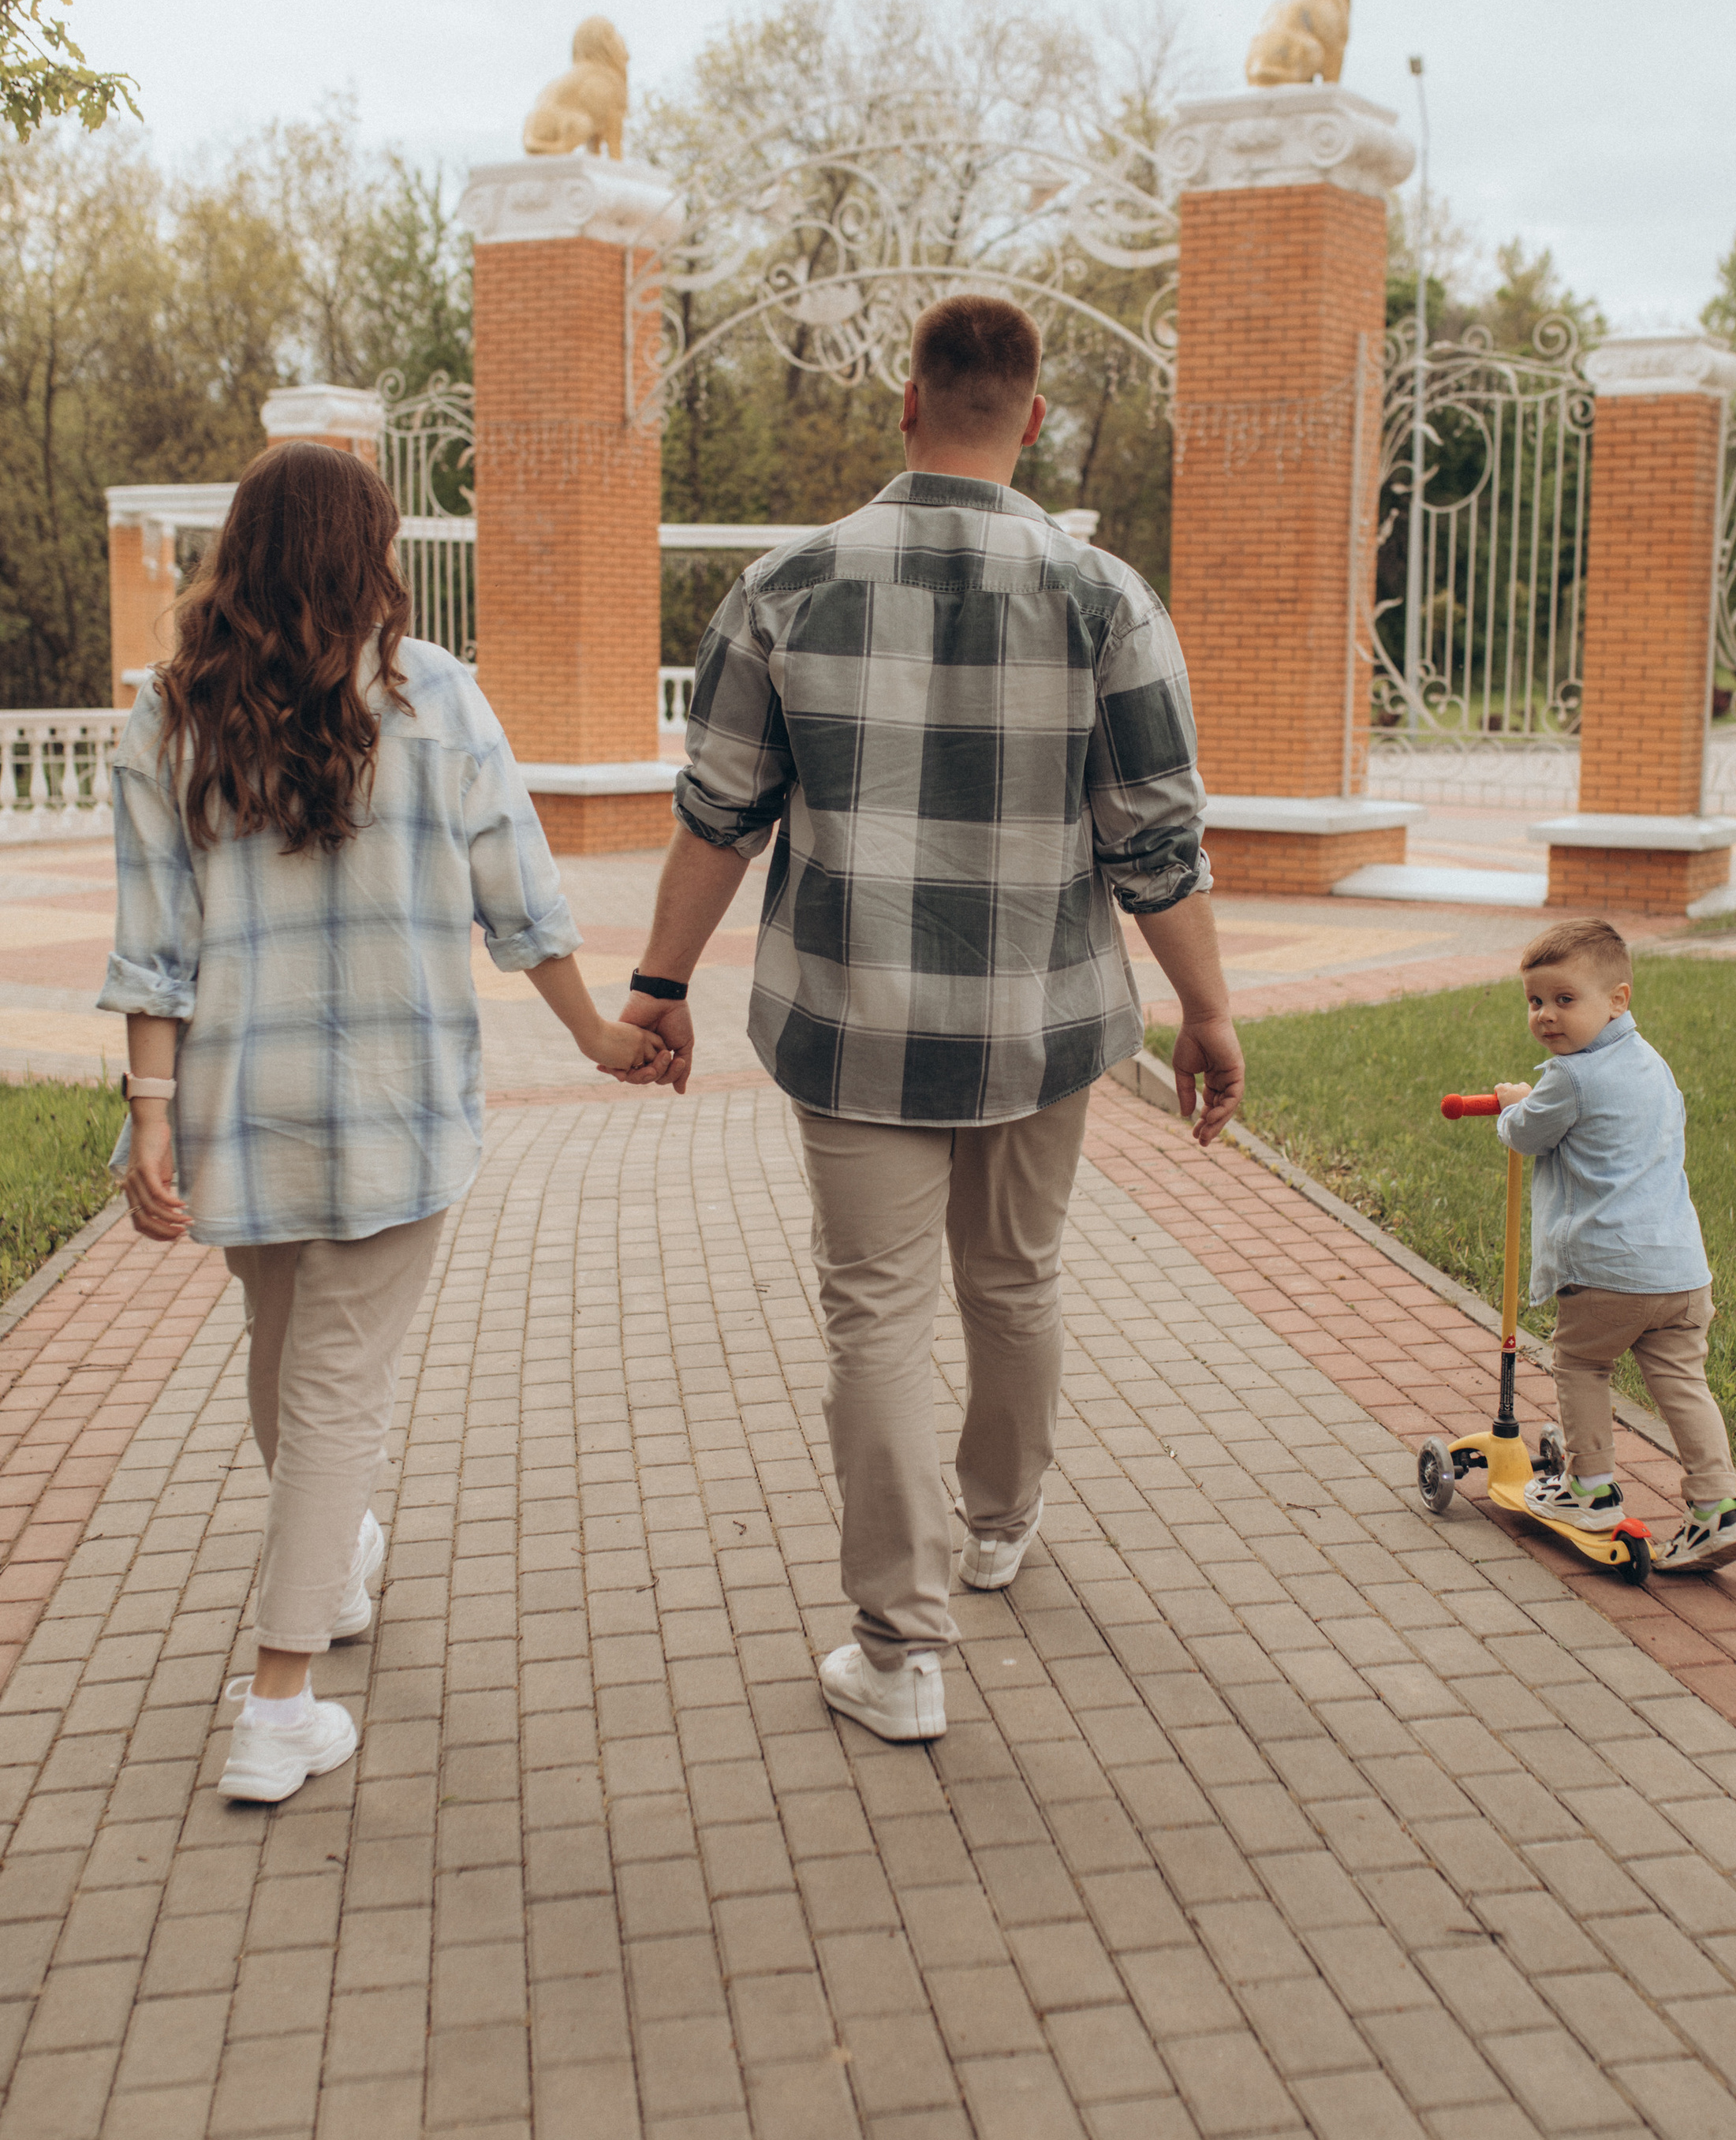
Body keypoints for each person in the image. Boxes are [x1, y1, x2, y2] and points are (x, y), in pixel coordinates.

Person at [621, 294, 1245, 1741]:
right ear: (1035, 420)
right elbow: (1159, 847)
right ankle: (1001, 1525)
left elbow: (719, 818)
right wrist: (1208, 1011)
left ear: (909, 403)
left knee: (877, 1319)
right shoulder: (1110, 600)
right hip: (1045, 1025)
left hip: (852, 1025)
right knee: (1016, 1281)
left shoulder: (787, 587)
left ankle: (900, 1657)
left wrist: (658, 988)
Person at [101, 439, 660, 1803]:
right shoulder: (440, 698)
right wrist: (594, 1033)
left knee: (290, 1359)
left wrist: (154, 1117)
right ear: (369, 553)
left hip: (240, 1107)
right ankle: (277, 1706)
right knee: (336, 1389)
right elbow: (521, 898)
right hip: (398, 1112)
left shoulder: (167, 716)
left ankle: (334, 1559)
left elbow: (150, 950)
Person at [1493, 916, 1736, 1574]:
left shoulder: (1570, 1077)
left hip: (1608, 1270)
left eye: (1565, 1000)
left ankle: (1588, 1487)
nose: (1547, 1017)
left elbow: (1527, 1134)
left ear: (1618, 999)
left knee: (1582, 1364)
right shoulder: (1651, 1063)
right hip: (1680, 1271)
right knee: (1682, 1383)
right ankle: (1718, 1508)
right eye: (1535, 1002)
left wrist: (1510, 1103)